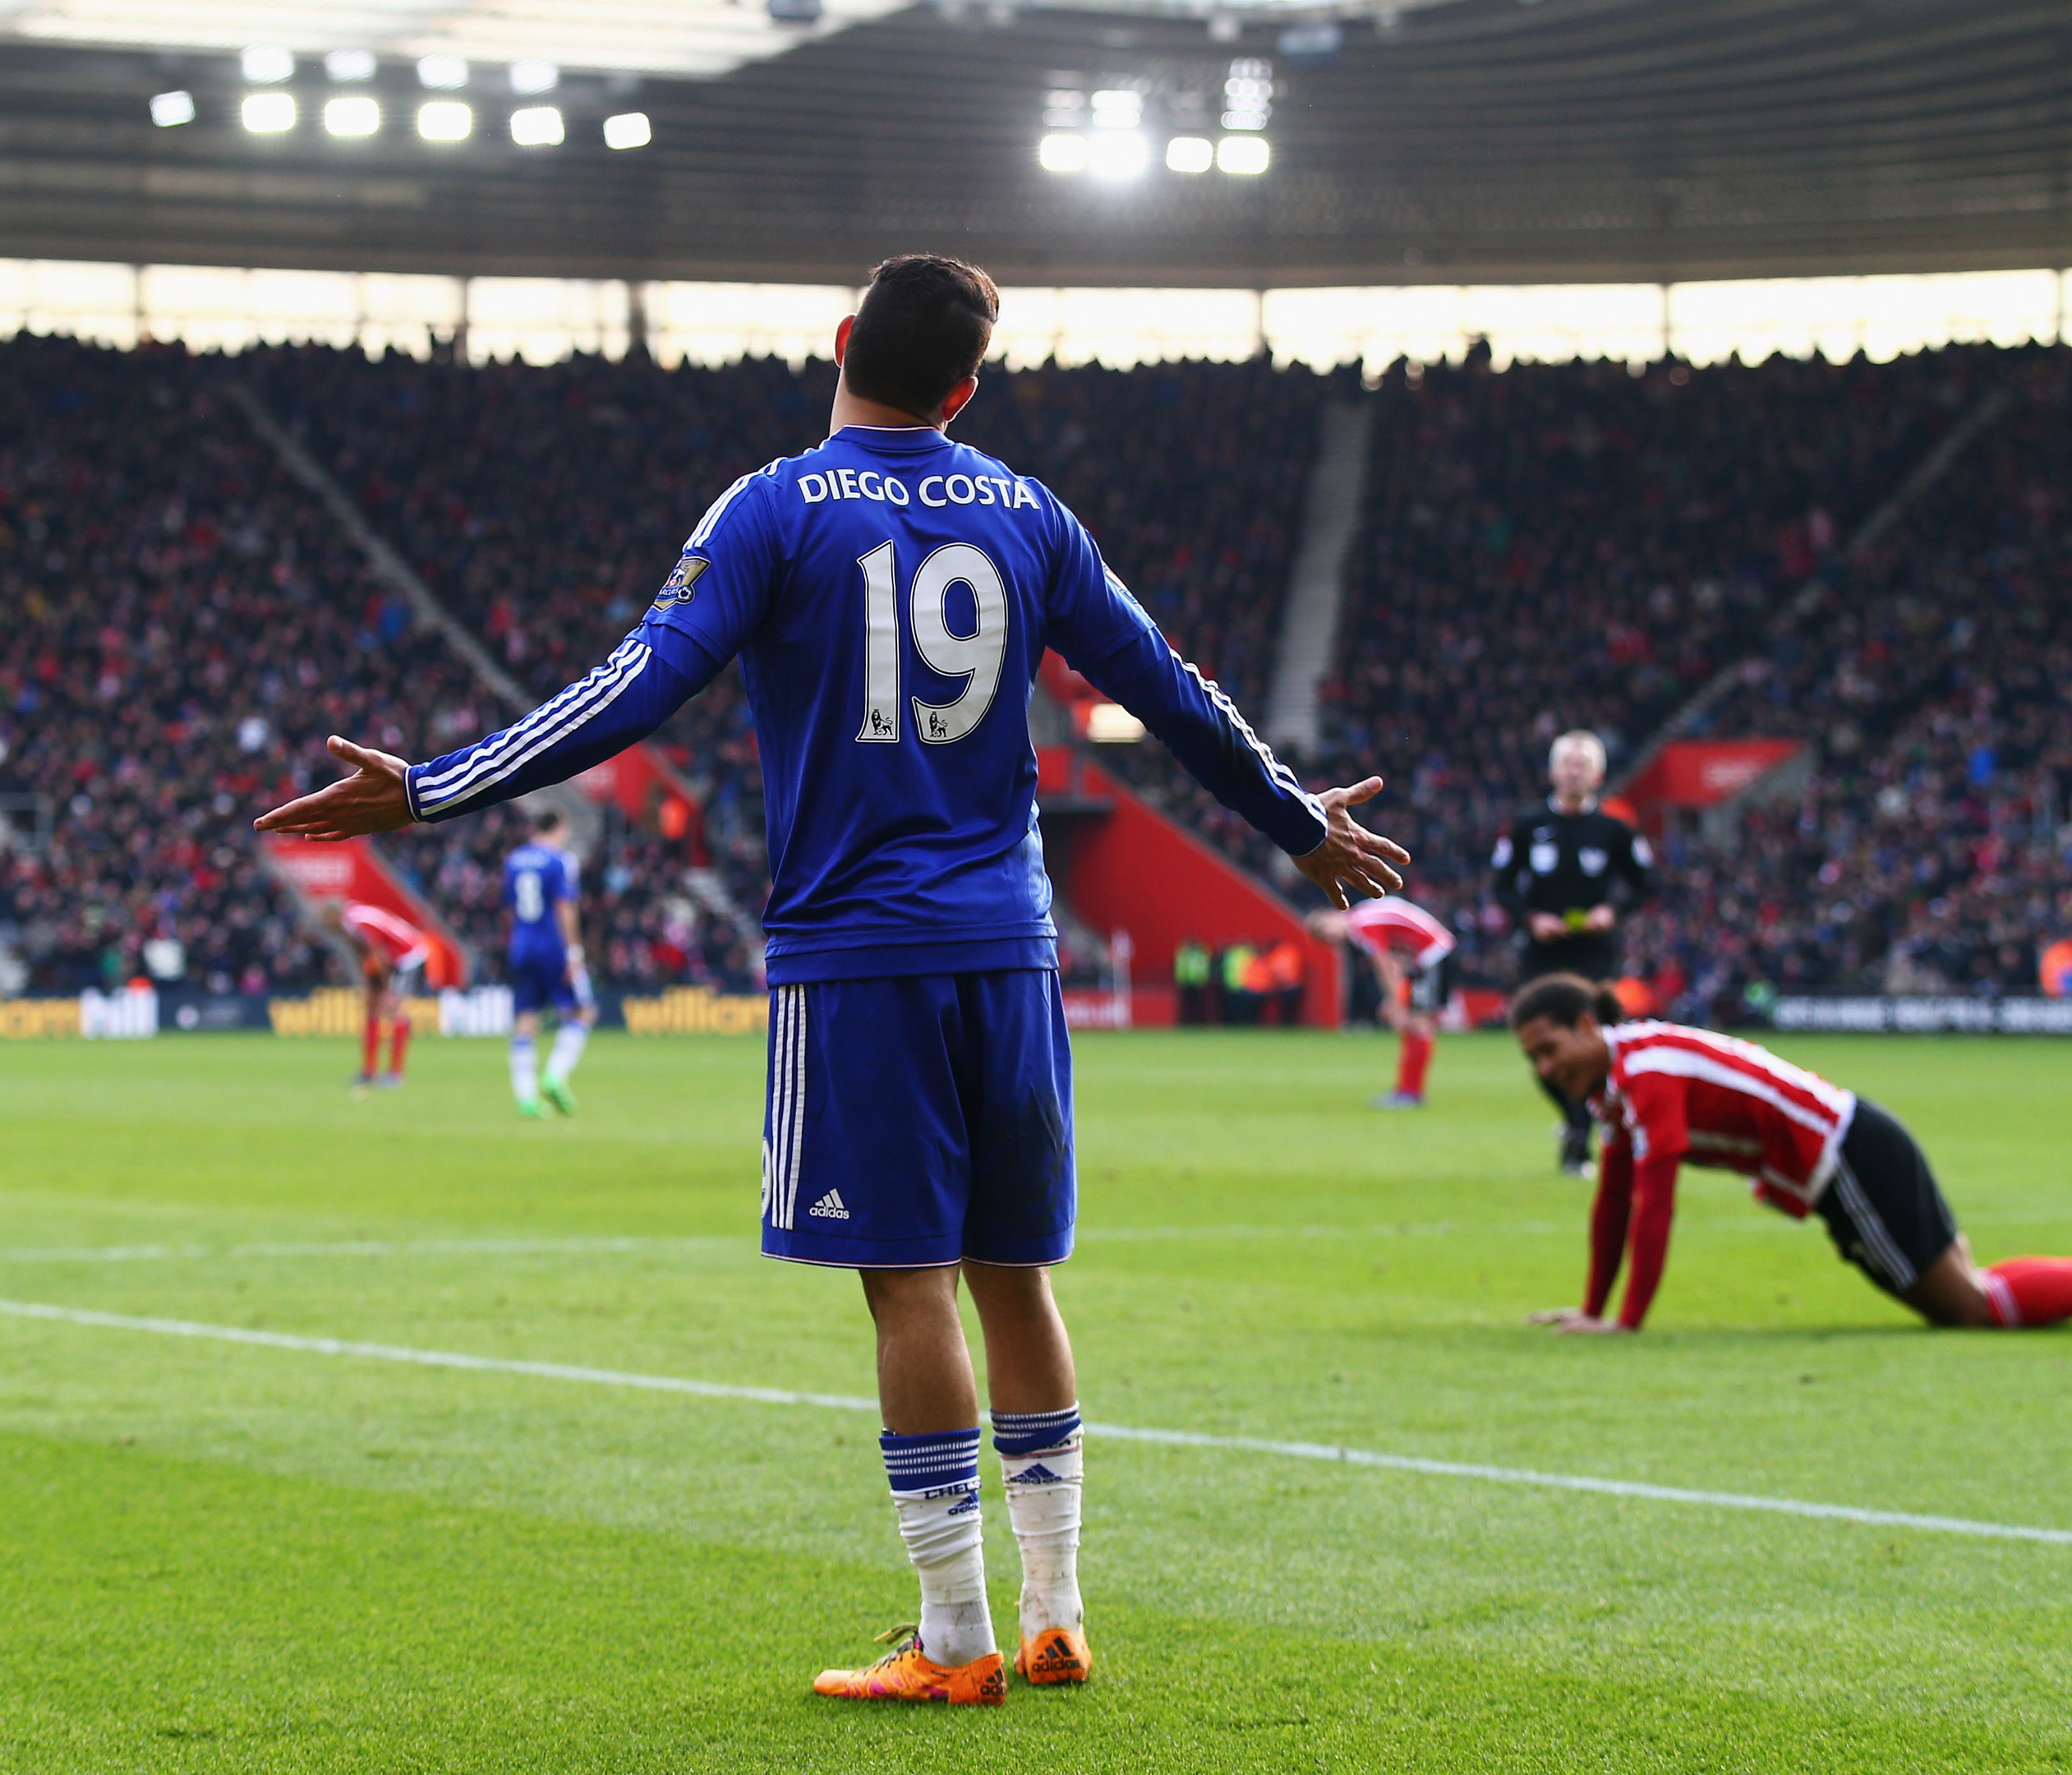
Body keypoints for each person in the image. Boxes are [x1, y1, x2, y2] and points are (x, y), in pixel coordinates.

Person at [254, 255, 1407, 1708]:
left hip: (859, 953)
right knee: (1015, 1274)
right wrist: (1300, 827)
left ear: (845, 339)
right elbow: (1171, 685)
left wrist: (429, 790)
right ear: (966, 388)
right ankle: (1055, 1610)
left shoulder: (775, 504)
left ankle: (953, 1638)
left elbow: (638, 683)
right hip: (1012, 948)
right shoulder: (1031, 513)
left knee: (905, 1285)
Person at [1508, 975, 2072, 1332]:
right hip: (1855, 1145)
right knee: (1972, 1292)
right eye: (1532, 1061)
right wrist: (1592, 1309)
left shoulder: (1646, 1072)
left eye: (1550, 1050)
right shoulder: (1619, 1082)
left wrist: (1625, 1323)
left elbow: (1653, 1198)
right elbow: (1614, 1199)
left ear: (1585, 1023)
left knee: (1974, 1311)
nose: (1546, 1070)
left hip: (1846, 1158)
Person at [1492, 730, 1652, 1175]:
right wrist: (1532, 919)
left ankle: (1582, 1135)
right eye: (1567, 763)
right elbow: (1502, 886)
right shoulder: (1527, 826)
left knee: (1593, 1043)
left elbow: (1646, 884)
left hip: (1594, 956)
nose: (1574, 771)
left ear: (1598, 774)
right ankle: (1578, 1121)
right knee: (1539, 1046)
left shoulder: (1615, 829)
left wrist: (1611, 911)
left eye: (1583, 764)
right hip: (1542, 955)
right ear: (1553, 771)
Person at [1312, 895, 1455, 1108]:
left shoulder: (1360, 924)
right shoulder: (1363, 916)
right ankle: (1409, 1090)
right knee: (1416, 1025)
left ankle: (1410, 1092)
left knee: (1419, 1024)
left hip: (1431, 955)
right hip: (1425, 956)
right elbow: (1395, 956)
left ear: (1333, 915)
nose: (1331, 936)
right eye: (1327, 938)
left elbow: (1383, 963)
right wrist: (1394, 999)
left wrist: (1395, 1004)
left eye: (1326, 929)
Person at [503, 808, 594, 1118]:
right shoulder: (560, 860)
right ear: (558, 828)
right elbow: (564, 907)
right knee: (583, 1012)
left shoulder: (513, 860)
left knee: (526, 1020)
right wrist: (574, 953)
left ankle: (526, 1099)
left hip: (521, 945)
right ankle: (555, 1076)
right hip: (552, 946)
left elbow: (510, 908)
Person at [326, 898, 431, 1096]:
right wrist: (370, 986)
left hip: (407, 956)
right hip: (394, 957)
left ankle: (395, 1074)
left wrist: (382, 988)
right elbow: (366, 954)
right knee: (372, 1006)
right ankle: (369, 1071)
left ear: (334, 916)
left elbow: (377, 954)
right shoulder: (353, 917)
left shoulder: (356, 924)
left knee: (392, 1008)